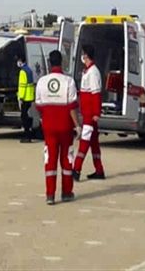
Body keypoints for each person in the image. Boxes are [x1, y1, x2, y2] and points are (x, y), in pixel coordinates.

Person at [35, 50, 81, 205]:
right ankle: (67, 192)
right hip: (65, 127)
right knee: (66, 160)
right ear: (62, 62)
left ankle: (50, 195)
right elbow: (72, 107)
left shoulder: (42, 82)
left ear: (49, 63)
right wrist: (77, 126)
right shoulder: (68, 81)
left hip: (48, 127)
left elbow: (39, 105)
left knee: (50, 160)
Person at [73, 44, 106, 181]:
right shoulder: (87, 71)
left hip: (90, 114)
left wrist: (96, 113)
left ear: (86, 55)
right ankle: (99, 170)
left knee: (84, 141)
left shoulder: (93, 72)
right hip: (87, 112)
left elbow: (96, 94)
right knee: (93, 143)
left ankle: (76, 169)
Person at [17, 55, 35, 143]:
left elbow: (22, 86)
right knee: (25, 115)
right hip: (30, 96)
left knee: (23, 116)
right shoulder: (29, 70)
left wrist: (21, 97)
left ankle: (27, 135)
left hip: (25, 97)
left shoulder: (23, 71)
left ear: (21, 61)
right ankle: (28, 133)